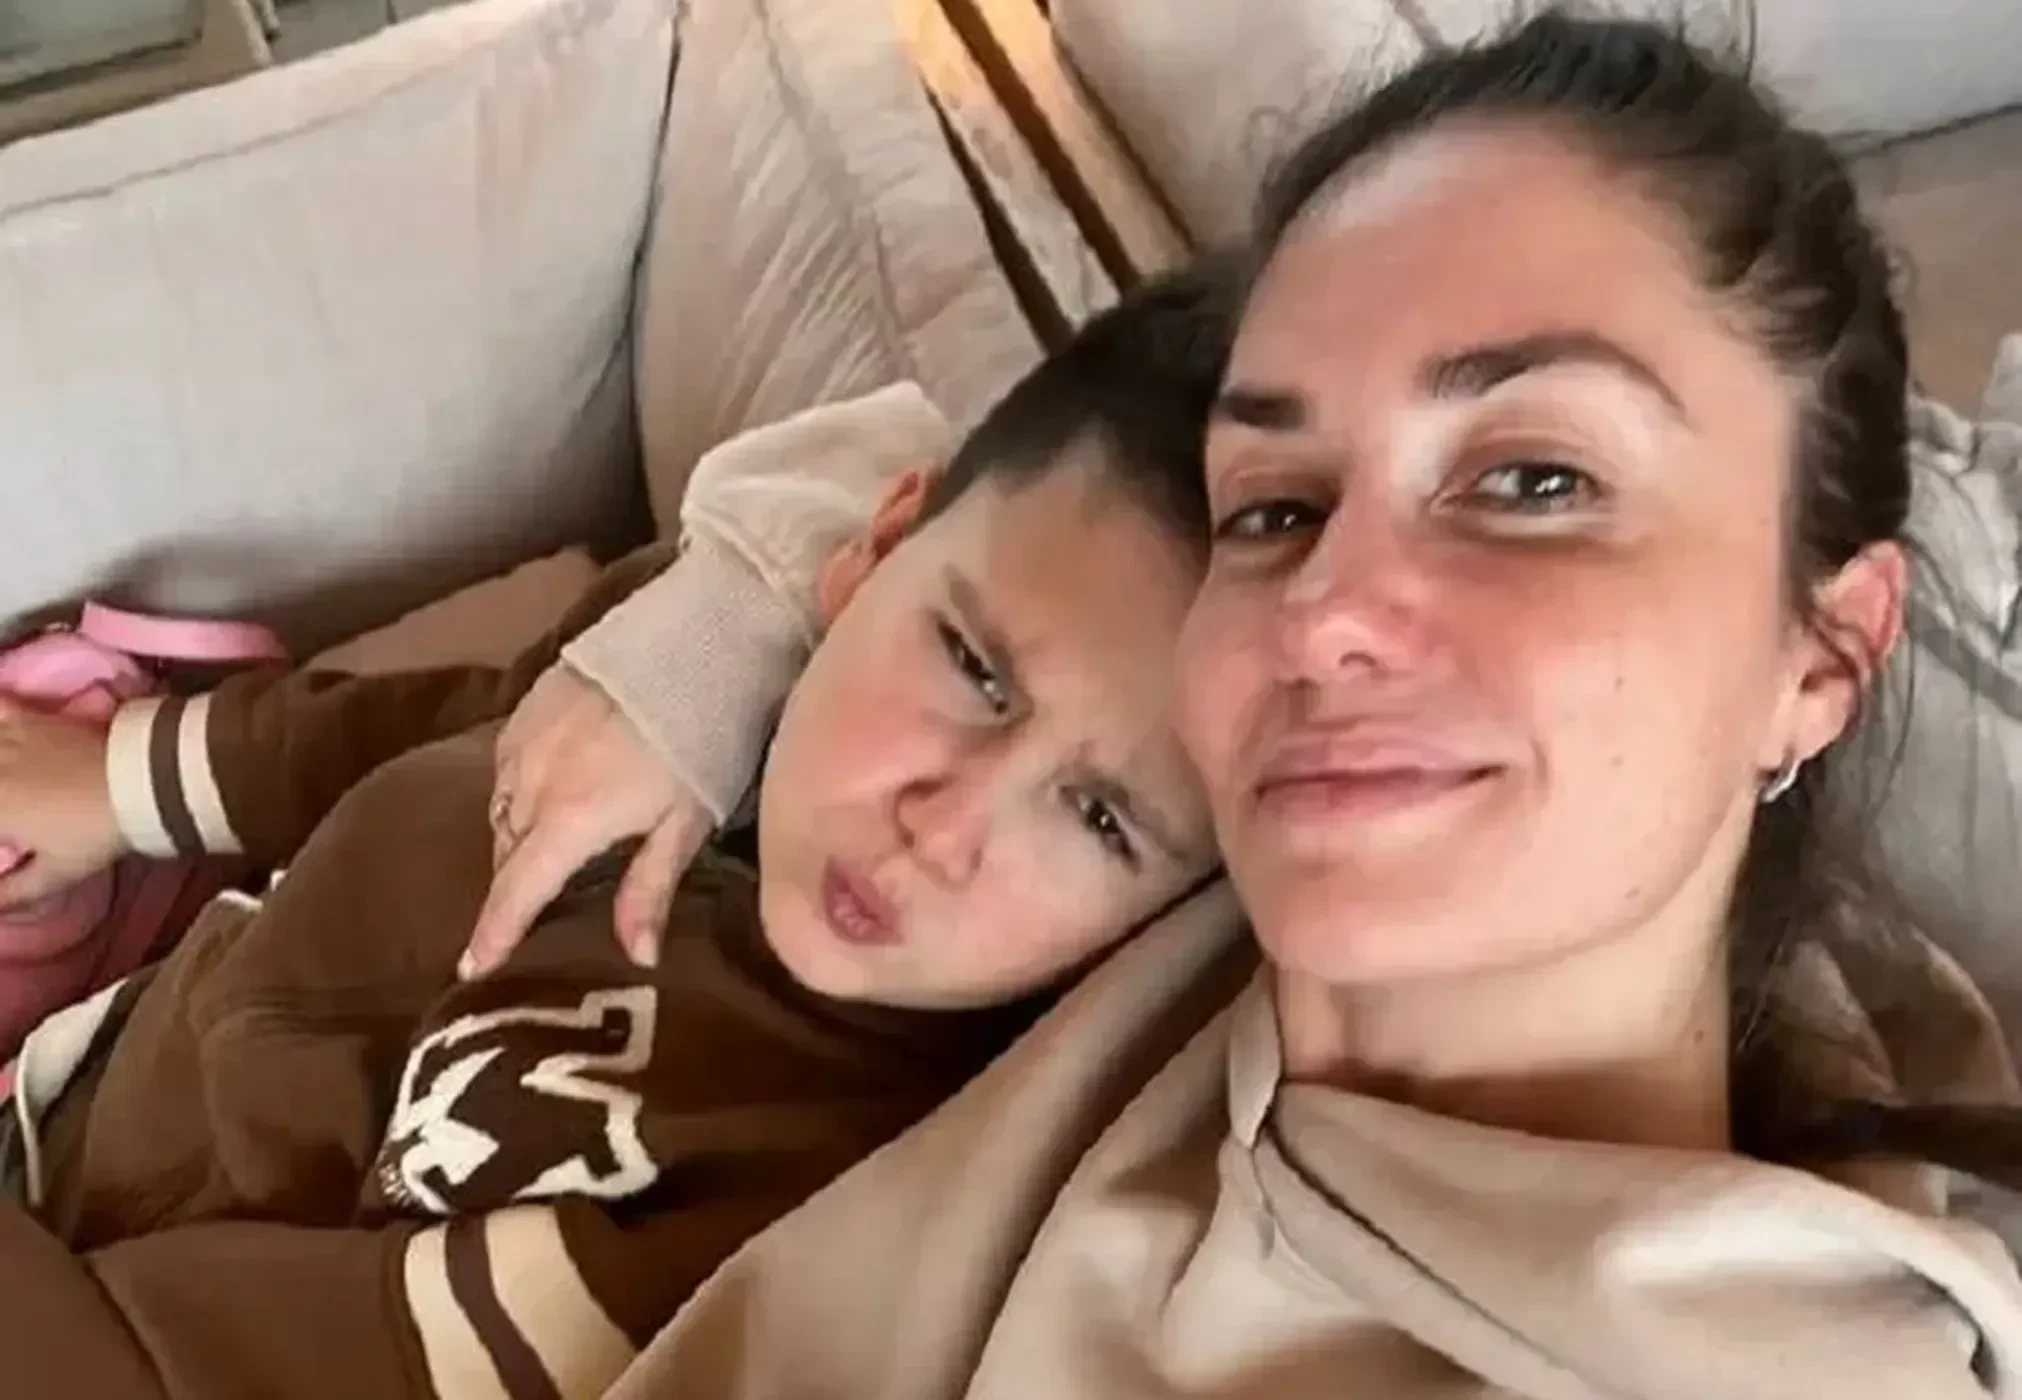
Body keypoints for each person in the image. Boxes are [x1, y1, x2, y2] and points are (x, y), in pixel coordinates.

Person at [603, 17, 2022, 1400]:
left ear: (1824, 657)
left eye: (1535, 481)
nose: (1319, 613)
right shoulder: (1171, 894)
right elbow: (984, 505)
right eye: (1273, 507)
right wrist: (697, 652)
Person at [0, 269, 1230, 1399]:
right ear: (877, 545)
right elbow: (439, 724)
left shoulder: (775, 1201)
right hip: (80, 1080)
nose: (943, 825)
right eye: (973, 667)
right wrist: (121, 779)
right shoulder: (679, 688)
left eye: (1102, 818)